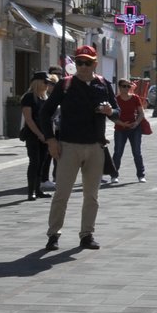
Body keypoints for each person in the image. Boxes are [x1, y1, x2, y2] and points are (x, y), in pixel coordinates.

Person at [42, 45, 119, 251]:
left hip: (95, 146)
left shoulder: (103, 84)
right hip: (68, 146)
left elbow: (117, 113)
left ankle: (87, 234)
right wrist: (50, 140)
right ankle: (53, 234)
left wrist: (111, 111)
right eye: (79, 62)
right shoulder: (65, 85)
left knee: (91, 195)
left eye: (87, 62)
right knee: (62, 194)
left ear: (95, 63)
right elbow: (45, 112)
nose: (82, 66)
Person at [19, 72, 52, 200]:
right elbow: (29, 119)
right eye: (45, 82)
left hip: (45, 135)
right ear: (37, 82)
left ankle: (38, 190)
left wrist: (48, 134)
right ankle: (31, 191)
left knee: (42, 163)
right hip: (33, 135)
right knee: (34, 162)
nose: (47, 85)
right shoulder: (28, 97)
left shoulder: (45, 98)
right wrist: (39, 134)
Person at [109, 77, 149, 184]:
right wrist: (122, 124)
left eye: (128, 86)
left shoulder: (135, 98)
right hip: (120, 129)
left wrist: (136, 123)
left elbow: (141, 113)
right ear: (119, 87)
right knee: (117, 152)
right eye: (124, 86)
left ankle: (141, 175)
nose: (127, 88)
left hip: (134, 128)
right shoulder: (115, 99)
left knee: (136, 152)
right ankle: (114, 175)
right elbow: (112, 116)